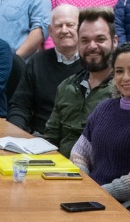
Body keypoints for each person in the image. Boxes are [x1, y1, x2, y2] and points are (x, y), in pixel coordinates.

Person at [70, 42, 130, 200]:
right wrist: (83, 184)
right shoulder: (104, 107)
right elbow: (80, 151)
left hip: (123, 204)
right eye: (119, 71)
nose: (125, 78)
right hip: (88, 192)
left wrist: (100, 192)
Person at [45, 9, 117, 156]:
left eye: (100, 39)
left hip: (98, 176)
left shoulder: (125, 91)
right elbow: (51, 138)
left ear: (114, 41)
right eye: (85, 40)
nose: (92, 46)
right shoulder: (67, 86)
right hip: (58, 171)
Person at [8, 4, 81, 134]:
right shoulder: (37, 62)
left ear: (82, 29)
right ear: (50, 31)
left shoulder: (92, 64)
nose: (64, 30)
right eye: (58, 26)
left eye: (70, 25)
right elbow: (19, 106)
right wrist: (16, 133)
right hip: (41, 139)